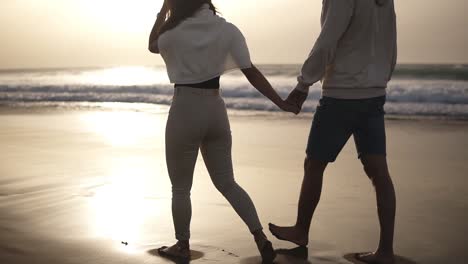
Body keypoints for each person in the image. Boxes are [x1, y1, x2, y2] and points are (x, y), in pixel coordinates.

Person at [148, 0, 299, 262]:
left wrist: (164, 8)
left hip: (185, 108)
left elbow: (152, 45)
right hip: (215, 109)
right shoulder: (227, 29)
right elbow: (250, 71)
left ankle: (182, 245)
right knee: (227, 183)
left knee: (181, 189)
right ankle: (260, 237)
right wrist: (282, 103)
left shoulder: (172, 32)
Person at [268, 0, 397, 263]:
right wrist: (381, 78)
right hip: (374, 93)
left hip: (341, 93)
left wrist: (303, 84)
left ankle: (301, 230)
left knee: (314, 163)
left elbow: (328, 39)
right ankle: (385, 250)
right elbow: (391, 42)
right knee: (378, 172)